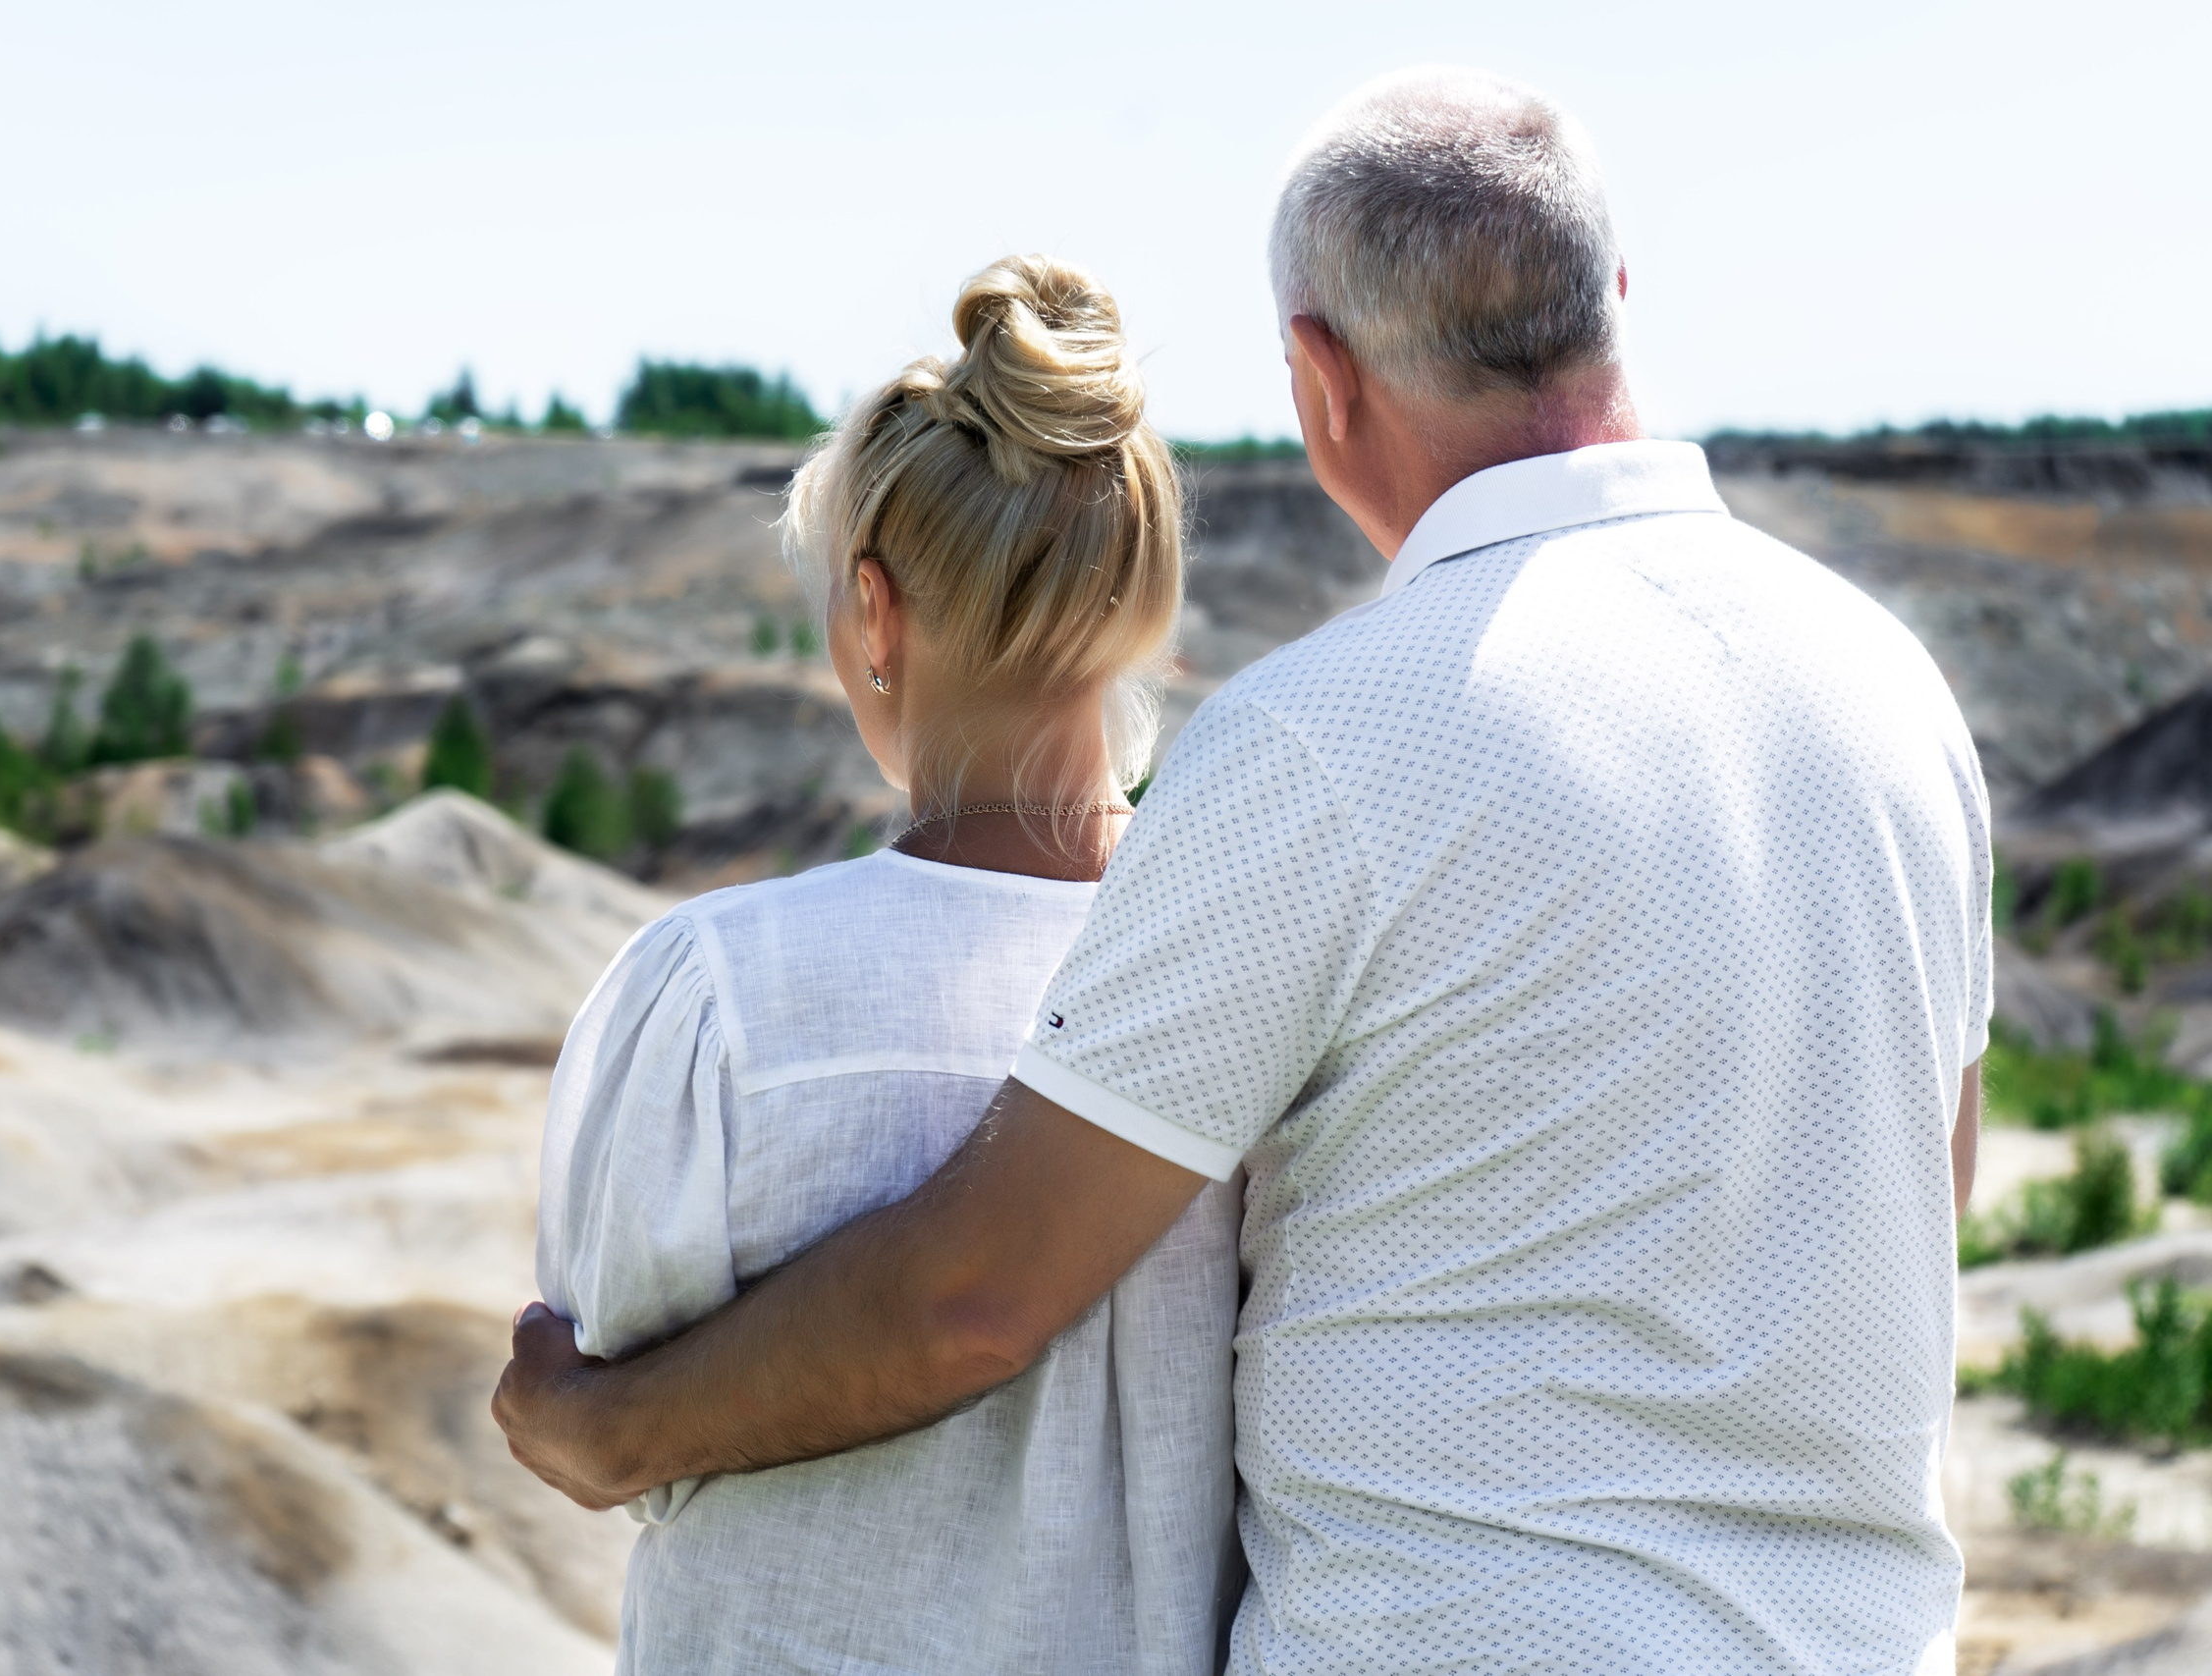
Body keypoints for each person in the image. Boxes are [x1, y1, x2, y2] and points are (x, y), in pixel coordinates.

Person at [500, 67, 1989, 1675]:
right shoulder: (1894, 695)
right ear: (1615, 300)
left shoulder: (1329, 743)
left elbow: (977, 1296)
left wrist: (602, 1429)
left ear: (1319, 378)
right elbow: (1921, 1193)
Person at [529, 254, 1244, 1674]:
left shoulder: (718, 998)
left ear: (875, 613)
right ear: (1137, 605)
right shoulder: (1254, 982)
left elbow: (591, 1362)